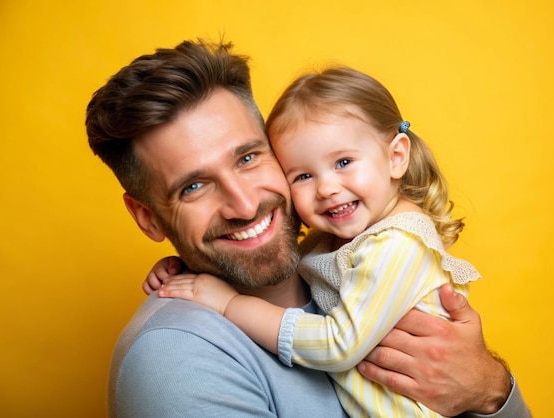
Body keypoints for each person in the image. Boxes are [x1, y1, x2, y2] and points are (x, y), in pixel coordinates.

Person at [85, 38, 530, 417]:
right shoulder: (176, 358)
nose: (243, 205)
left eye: (247, 158)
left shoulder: (344, 262)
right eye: (194, 186)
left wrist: (489, 389)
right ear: (148, 217)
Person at [154, 66, 480, 417]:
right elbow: (294, 262)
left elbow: (338, 345)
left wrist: (227, 303)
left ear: (396, 157)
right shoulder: (342, 238)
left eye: (343, 162)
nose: (326, 188)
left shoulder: (398, 246)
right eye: (304, 175)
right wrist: (187, 265)